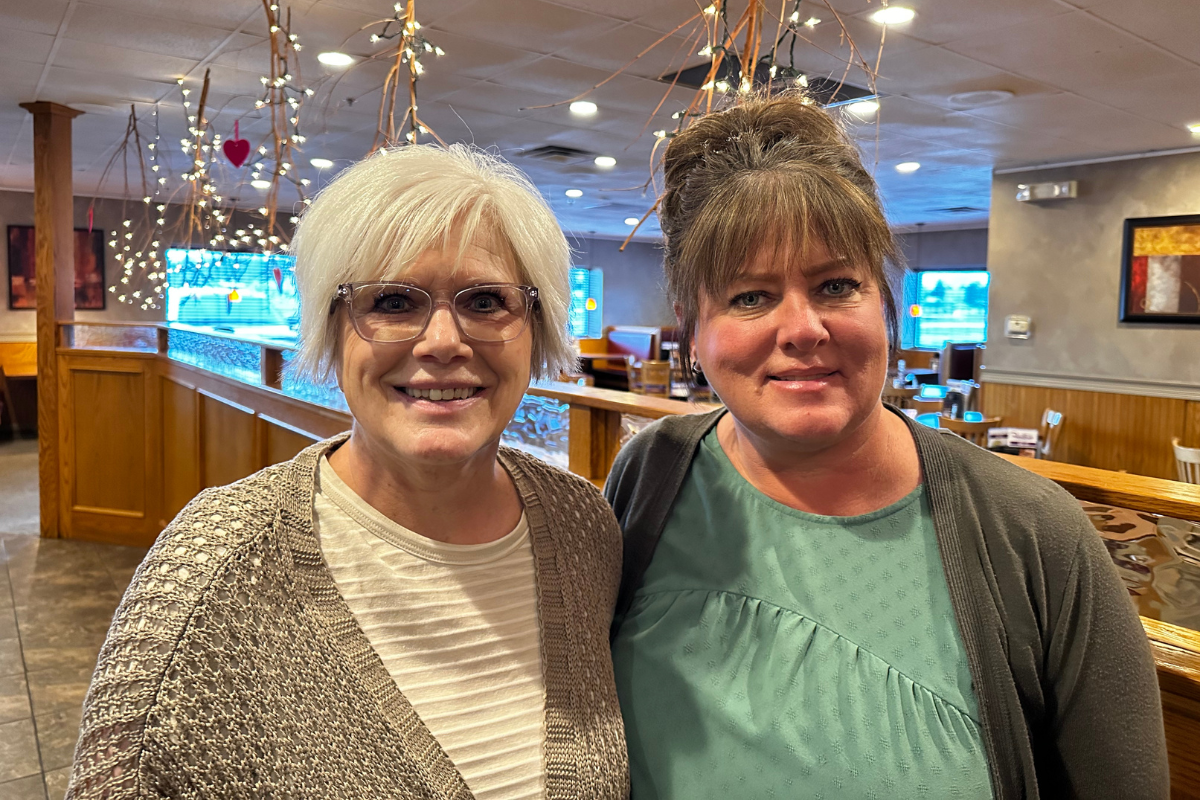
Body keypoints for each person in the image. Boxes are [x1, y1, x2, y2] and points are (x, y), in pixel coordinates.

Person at [606, 93, 1168, 799]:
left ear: (885, 305)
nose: (802, 328)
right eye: (750, 296)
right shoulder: (649, 476)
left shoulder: (1031, 532)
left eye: (836, 285)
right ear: (692, 328)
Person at [67, 144, 629, 799]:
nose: (443, 342)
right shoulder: (215, 565)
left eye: (484, 301)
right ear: (333, 334)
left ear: (537, 331)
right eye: (392, 301)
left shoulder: (585, 530)